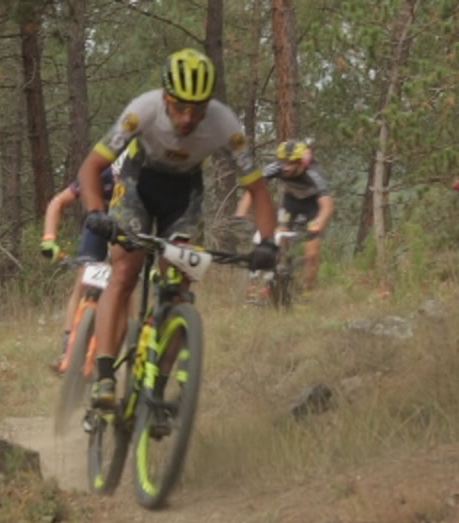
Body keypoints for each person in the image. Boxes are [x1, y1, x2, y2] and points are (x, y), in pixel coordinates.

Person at [76, 48, 279, 410]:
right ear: (165, 97)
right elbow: (91, 168)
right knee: (125, 270)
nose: (188, 118)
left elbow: (259, 191)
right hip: (138, 184)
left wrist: (267, 244)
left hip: (183, 196)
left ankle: (157, 389)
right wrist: (95, 212)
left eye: (197, 109)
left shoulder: (224, 125)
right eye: (180, 106)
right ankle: (105, 376)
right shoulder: (143, 109)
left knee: (179, 288)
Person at [40, 164, 119, 373]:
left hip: (128, 228)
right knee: (84, 281)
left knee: (125, 287)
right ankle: (67, 350)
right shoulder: (100, 173)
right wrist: (49, 239)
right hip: (98, 228)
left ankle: (116, 351)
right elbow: (58, 202)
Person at [234, 139, 335, 295]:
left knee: (312, 253)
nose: (285, 167)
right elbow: (252, 190)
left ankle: (307, 291)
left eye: (291, 163)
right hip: (291, 203)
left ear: (301, 162)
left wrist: (317, 226)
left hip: (312, 207)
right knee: (276, 238)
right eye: (283, 162)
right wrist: (240, 215)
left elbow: (327, 205)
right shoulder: (275, 168)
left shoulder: (313, 174)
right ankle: (271, 279)